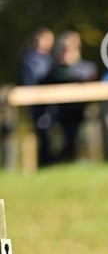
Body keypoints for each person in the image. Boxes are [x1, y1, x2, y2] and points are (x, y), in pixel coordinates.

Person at [46, 31, 97, 162]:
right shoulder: (52, 70)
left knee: (77, 136)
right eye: (64, 49)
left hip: (80, 112)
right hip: (58, 113)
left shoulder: (86, 68)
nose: (66, 53)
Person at [18, 28, 55, 167]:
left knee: (47, 131)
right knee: (41, 132)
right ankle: (44, 162)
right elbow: (30, 82)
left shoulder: (49, 58)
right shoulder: (30, 59)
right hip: (36, 100)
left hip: (49, 100)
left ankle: (48, 160)